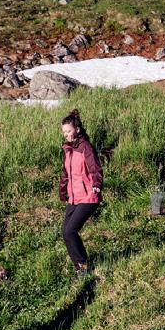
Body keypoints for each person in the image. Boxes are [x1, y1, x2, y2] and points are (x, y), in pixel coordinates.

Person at [59, 109, 103, 277]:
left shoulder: (86, 147)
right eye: (64, 132)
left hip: (88, 196)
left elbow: (95, 168)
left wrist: (97, 184)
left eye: (69, 131)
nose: (66, 135)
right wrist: (63, 192)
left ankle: (83, 267)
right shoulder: (68, 150)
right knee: (66, 233)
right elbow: (66, 174)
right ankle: (80, 268)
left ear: (77, 129)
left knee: (70, 231)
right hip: (74, 197)